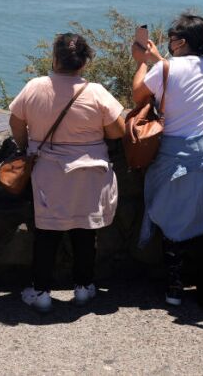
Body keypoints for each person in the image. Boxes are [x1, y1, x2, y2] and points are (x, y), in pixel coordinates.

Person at [132, 15, 203, 306]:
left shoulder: (164, 69)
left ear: (181, 42)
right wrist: (161, 60)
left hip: (176, 159)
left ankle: (174, 285)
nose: (168, 42)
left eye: (172, 38)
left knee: (172, 220)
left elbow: (138, 94)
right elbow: (181, 73)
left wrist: (142, 62)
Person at [9, 33, 125, 313]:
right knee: (85, 231)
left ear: (55, 58)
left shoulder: (35, 87)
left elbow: (15, 123)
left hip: (49, 172)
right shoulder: (96, 92)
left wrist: (27, 147)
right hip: (90, 174)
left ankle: (41, 292)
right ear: (84, 62)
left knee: (47, 232)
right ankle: (83, 288)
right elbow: (118, 130)